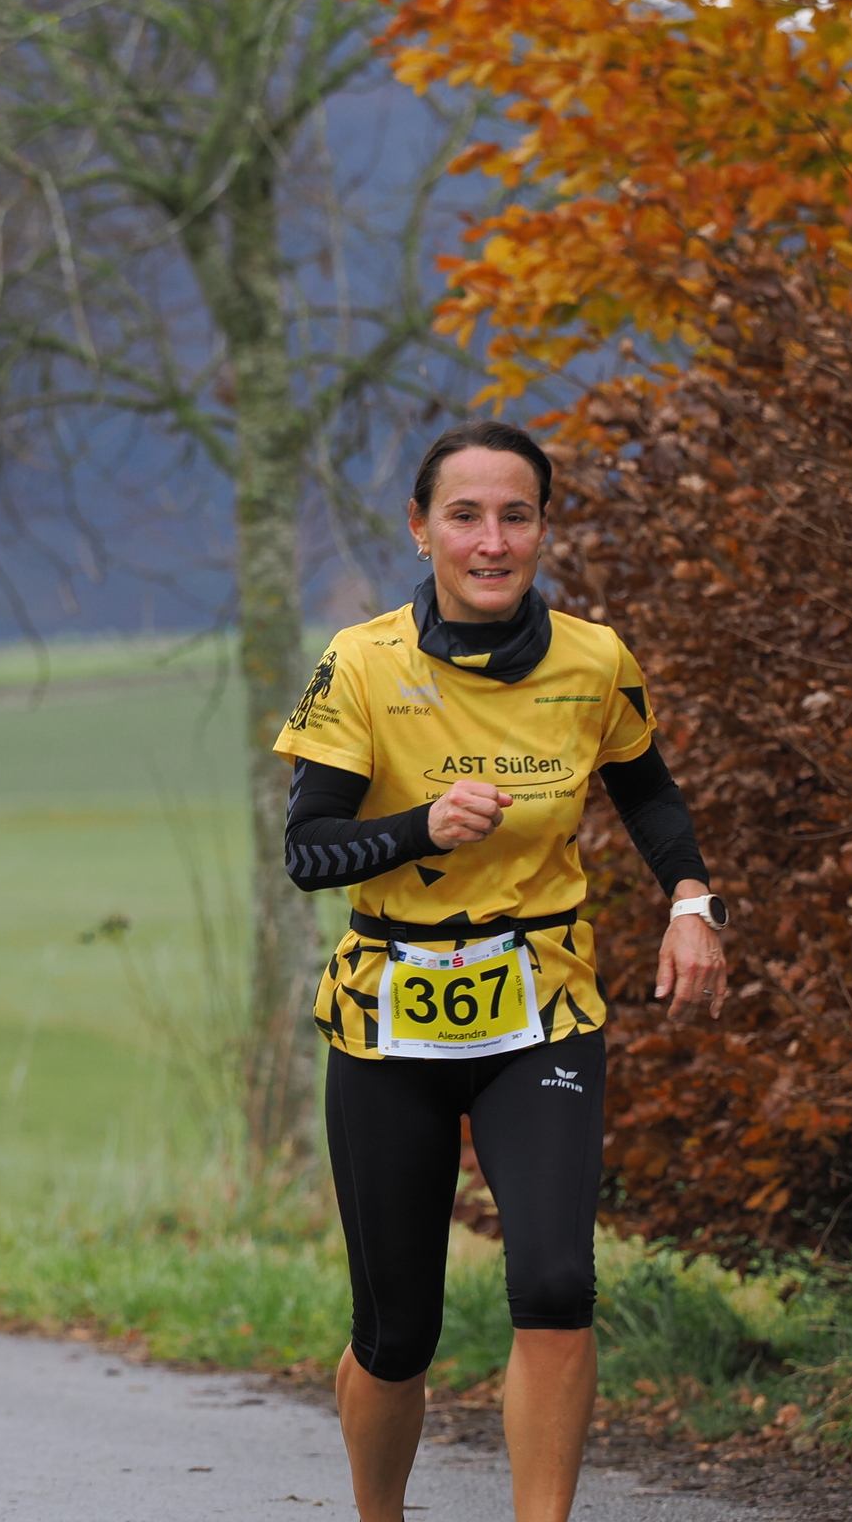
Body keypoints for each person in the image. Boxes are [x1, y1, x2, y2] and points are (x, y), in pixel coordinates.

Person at [273, 419, 729, 1522]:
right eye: (465, 516)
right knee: (397, 1334)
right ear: (420, 529)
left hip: (542, 1010)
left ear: (540, 529)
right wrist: (420, 827)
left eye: (515, 516)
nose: (491, 541)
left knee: (556, 1284)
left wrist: (691, 903)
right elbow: (307, 850)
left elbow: (648, 793)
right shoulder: (362, 661)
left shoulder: (594, 660)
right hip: (390, 1022)